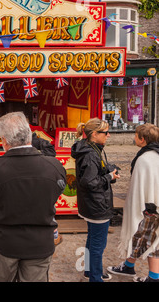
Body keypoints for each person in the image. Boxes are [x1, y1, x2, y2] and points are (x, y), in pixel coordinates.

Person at [0, 112, 66, 282]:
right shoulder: (54, 166)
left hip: (5, 241)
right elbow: (58, 191)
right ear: (29, 136)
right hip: (40, 242)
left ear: (4, 140)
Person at [107, 124, 159, 282]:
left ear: (142, 139)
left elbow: (138, 187)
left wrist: (135, 206)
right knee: (141, 237)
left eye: (135, 135)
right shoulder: (155, 154)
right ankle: (128, 266)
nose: (133, 138)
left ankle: (154, 277)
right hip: (154, 204)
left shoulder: (144, 159)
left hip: (149, 206)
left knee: (149, 239)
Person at [71, 118, 120, 282]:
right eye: (105, 133)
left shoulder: (90, 149)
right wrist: (108, 176)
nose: (108, 136)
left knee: (93, 239)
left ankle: (89, 271)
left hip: (92, 204)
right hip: (97, 205)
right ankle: (95, 277)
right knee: (98, 245)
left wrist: (109, 172)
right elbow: (90, 182)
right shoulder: (91, 154)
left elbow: (93, 175)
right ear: (94, 134)